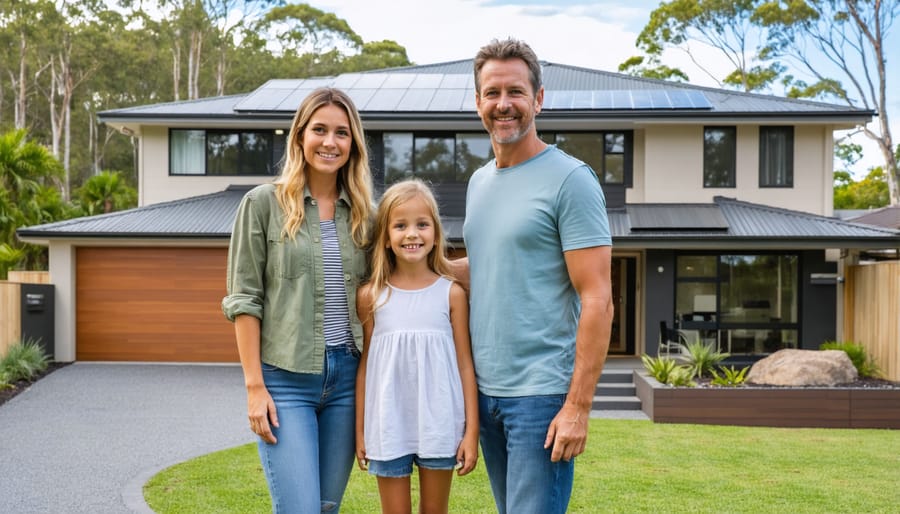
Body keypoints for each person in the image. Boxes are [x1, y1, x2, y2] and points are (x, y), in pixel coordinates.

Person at [460, 38, 614, 513]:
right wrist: (407, 262)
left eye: (515, 92)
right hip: (487, 395)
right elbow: (486, 266)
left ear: (538, 99)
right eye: (492, 93)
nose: (503, 104)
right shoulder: (479, 182)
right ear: (478, 101)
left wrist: (578, 407)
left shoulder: (571, 180)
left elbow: (598, 300)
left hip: (541, 397)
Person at [222, 87, 374, 513]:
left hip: (347, 381)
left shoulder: (367, 215)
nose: (330, 142)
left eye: (342, 133)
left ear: (353, 143)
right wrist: (255, 388)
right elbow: (244, 300)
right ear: (300, 137)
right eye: (320, 130)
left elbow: (403, 279)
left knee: (325, 508)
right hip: (286, 381)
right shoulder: (262, 205)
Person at [355, 179, 479, 514]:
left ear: (436, 233)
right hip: (387, 424)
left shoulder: (451, 294)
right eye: (400, 225)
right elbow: (366, 364)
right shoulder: (370, 296)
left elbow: (465, 365)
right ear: (385, 238)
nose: (412, 234)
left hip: (440, 425)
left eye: (422, 224)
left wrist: (471, 432)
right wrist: (360, 431)